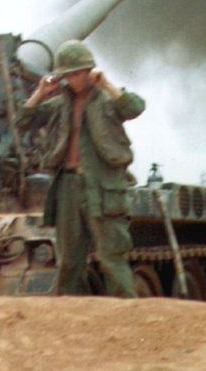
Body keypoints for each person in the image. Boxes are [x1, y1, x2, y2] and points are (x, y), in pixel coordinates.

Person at [17, 39, 144, 297]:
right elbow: (21, 120)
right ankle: (73, 321)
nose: (74, 79)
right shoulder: (58, 105)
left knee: (112, 256)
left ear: (89, 71)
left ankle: (127, 317)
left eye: (78, 73)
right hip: (67, 186)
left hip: (103, 186)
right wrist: (41, 92)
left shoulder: (107, 100)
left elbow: (134, 107)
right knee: (69, 261)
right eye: (68, 74)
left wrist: (107, 84)